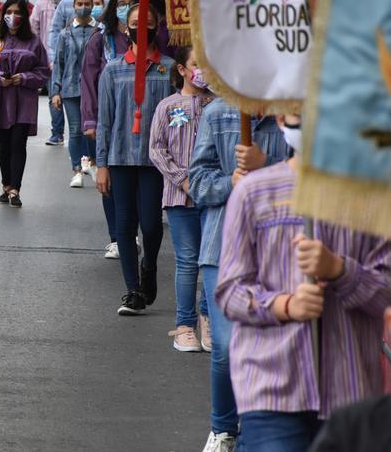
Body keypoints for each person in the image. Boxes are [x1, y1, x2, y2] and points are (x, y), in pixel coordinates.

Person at [217, 114, 391, 452]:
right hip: (271, 386)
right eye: (301, 109)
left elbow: (385, 291)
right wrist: (285, 306)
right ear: (283, 118)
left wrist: (340, 270)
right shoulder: (253, 192)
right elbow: (230, 292)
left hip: (351, 389)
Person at [188, 99, 290, 452]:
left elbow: (312, 178)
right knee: (228, 345)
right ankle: (223, 428)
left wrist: (267, 168)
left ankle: (256, 428)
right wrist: (232, 181)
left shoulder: (293, 116)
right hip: (223, 246)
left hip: (279, 248)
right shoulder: (217, 114)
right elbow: (197, 183)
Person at [95, 2, 175, 316]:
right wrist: (102, 164)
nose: (141, 27)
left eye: (148, 21)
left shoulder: (167, 69)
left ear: (158, 26)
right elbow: (104, 120)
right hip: (120, 157)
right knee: (125, 226)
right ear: (125, 28)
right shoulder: (113, 69)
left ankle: (149, 266)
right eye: (134, 22)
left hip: (155, 161)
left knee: (152, 226)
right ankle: (132, 290)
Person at [148, 46, 213, 352]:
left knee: (213, 261)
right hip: (179, 197)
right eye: (197, 65)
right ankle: (184, 325)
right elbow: (156, 149)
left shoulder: (219, 106)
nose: (203, 71)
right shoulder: (167, 106)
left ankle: (208, 317)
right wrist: (183, 179)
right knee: (187, 262)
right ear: (183, 70)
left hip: (214, 197)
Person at [0, 0, 51, 208]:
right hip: (1, 99)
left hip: (24, 100)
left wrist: (24, 78)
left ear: (25, 16)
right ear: (3, 15)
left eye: (17, 12)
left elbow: (44, 71)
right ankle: (6, 184)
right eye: (9, 12)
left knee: (19, 143)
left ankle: (15, 189)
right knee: (5, 145)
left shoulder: (34, 41)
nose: (13, 16)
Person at [82, 0, 139, 260]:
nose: (125, 9)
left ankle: (132, 230)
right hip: (107, 122)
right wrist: (90, 121)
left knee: (136, 181)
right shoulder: (100, 39)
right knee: (108, 180)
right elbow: (89, 82)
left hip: (140, 120)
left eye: (131, 4)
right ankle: (117, 236)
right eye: (121, 4)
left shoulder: (145, 37)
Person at [50, 0, 97, 189]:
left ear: (92, 6)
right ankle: (77, 170)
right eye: (79, 4)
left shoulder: (100, 31)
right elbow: (59, 63)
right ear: (74, 6)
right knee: (76, 130)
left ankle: (93, 163)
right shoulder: (65, 33)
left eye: (87, 4)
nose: (83, 7)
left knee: (93, 131)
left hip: (94, 89)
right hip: (70, 89)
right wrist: (55, 91)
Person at [38, 0, 71, 146]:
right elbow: (34, 27)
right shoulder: (41, 3)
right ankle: (57, 133)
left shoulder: (73, 1)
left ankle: (77, 133)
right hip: (49, 60)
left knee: (74, 97)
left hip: (73, 60)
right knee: (54, 96)